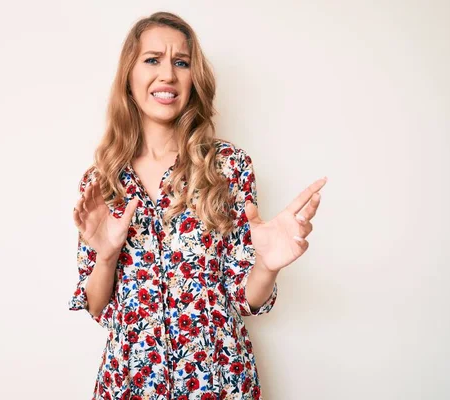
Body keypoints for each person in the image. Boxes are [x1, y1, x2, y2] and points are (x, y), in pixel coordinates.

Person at [69, 11, 327, 399]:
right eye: (152, 59)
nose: (168, 74)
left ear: (193, 78)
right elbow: (96, 307)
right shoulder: (101, 180)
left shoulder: (228, 167)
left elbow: (245, 298)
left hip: (219, 379)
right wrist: (105, 256)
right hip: (131, 382)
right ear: (129, 75)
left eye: (181, 62)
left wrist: (266, 266)